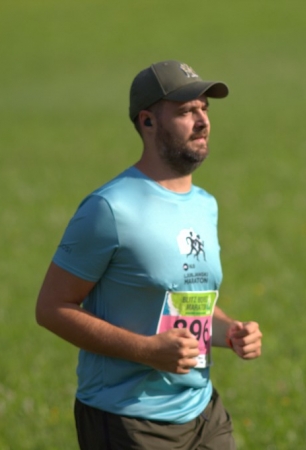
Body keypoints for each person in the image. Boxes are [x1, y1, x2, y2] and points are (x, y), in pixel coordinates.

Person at [35, 59, 263, 450]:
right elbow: (51, 308)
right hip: (128, 420)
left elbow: (184, 301)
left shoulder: (205, 205)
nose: (202, 121)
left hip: (203, 411)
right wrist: (146, 351)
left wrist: (230, 331)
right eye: (186, 111)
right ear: (148, 121)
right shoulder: (110, 208)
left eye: (204, 109)